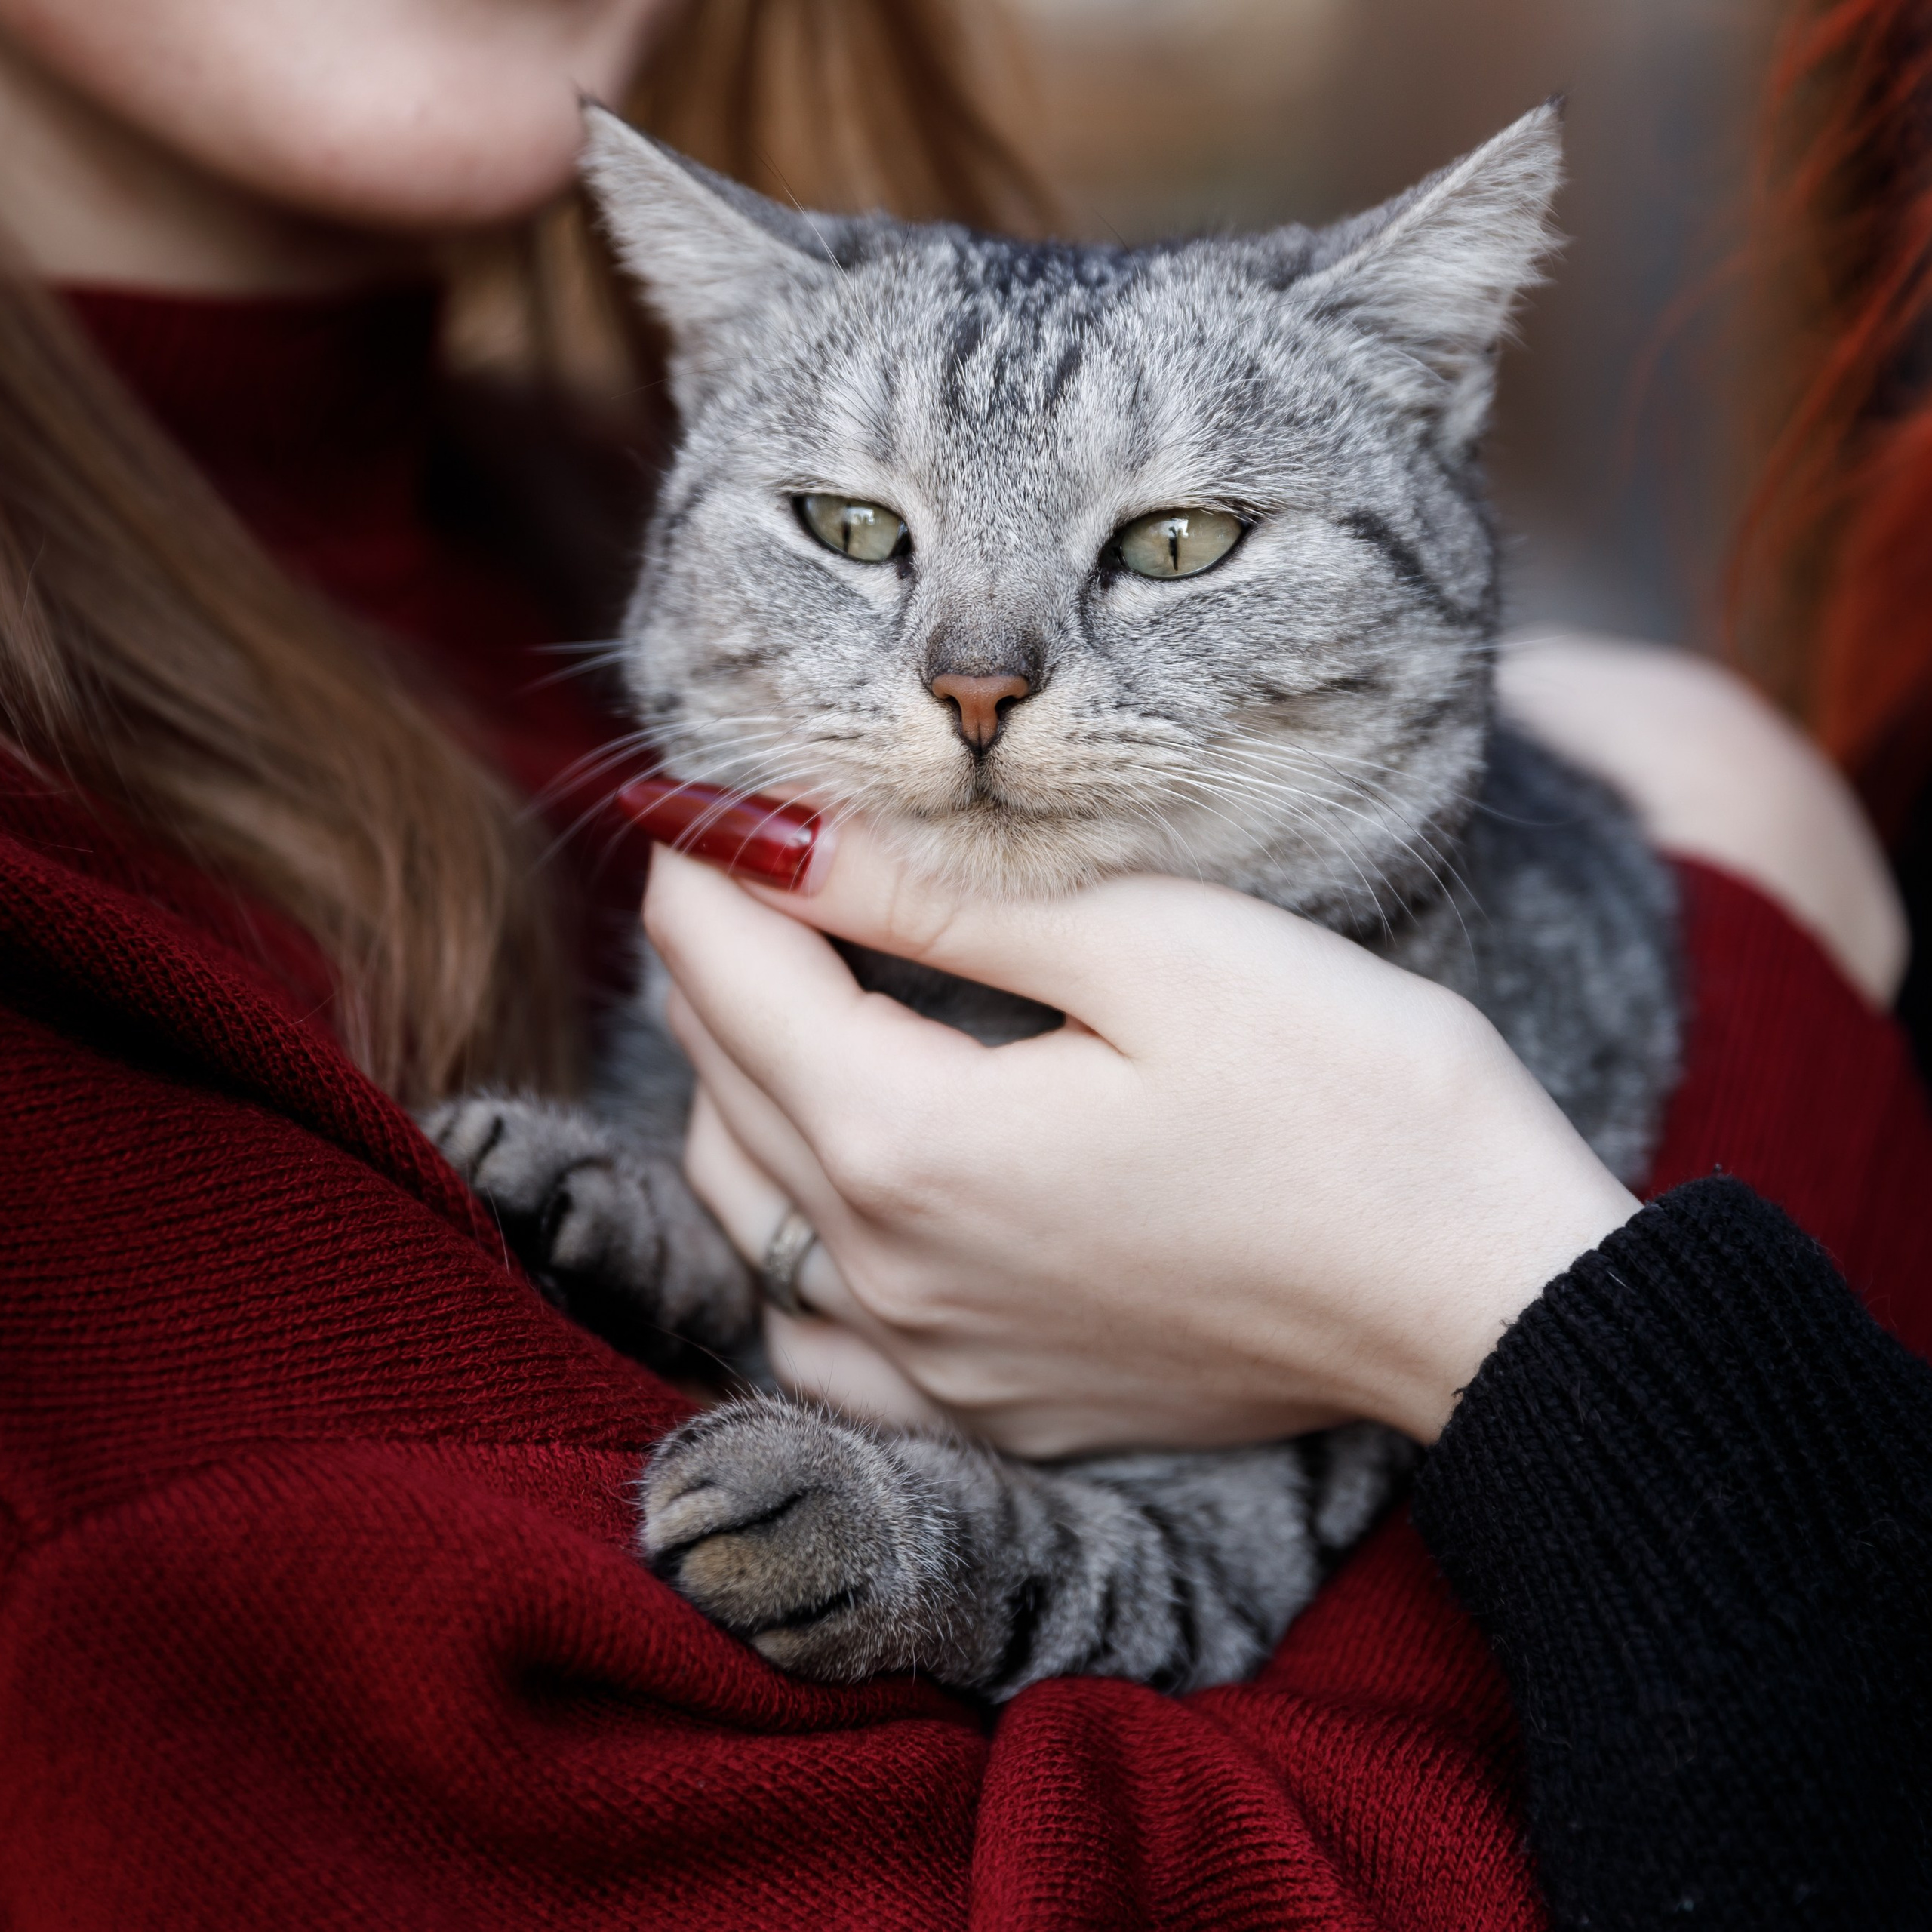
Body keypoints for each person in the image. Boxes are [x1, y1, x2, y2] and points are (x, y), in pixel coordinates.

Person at [1, 5, 1927, 1931]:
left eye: (1169, 537)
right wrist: (1745, 1008)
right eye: (857, 531)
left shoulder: (544, 506)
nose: (974, 671)